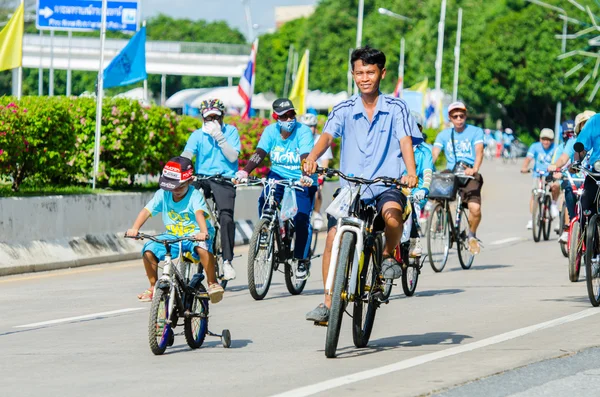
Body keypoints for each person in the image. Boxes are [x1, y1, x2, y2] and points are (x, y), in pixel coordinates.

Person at [303, 46, 421, 322]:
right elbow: (327, 136)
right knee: (332, 238)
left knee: (392, 216)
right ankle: (328, 303)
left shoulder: (396, 108)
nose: (364, 78)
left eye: (370, 72)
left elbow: (405, 141)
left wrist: (411, 173)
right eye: (359, 73)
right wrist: (311, 157)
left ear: (382, 73)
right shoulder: (343, 109)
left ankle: (387, 254)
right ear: (353, 75)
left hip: (386, 184)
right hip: (351, 189)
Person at [235, 98, 317, 280]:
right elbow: (260, 153)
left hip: (302, 178)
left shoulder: (303, 131)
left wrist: (305, 174)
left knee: (302, 217)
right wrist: (245, 171)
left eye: (292, 114)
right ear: (275, 117)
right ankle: (265, 231)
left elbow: (305, 155)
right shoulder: (270, 131)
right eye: (284, 116)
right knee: (264, 200)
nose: (289, 119)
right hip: (278, 174)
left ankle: (302, 259)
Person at [126, 156, 224, 304]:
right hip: (173, 235)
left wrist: (203, 232)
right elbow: (146, 211)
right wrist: (135, 229)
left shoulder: (194, 195)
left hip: (196, 234)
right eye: (171, 186)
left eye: (179, 186)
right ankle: (153, 287)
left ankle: (212, 283)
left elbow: (199, 214)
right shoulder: (163, 194)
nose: (175, 190)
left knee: (203, 247)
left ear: (190, 181)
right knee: (148, 250)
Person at [182, 99, 240, 281]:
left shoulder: (231, 132)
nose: (212, 121)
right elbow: (187, 155)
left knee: (226, 217)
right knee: (187, 204)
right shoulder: (198, 135)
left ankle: (227, 262)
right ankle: (187, 249)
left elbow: (233, 157)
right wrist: (181, 169)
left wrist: (219, 137)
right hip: (203, 178)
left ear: (222, 117)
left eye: (216, 117)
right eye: (208, 118)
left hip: (223, 178)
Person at [432, 102, 484, 254]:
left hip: (469, 172)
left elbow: (479, 151)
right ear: (450, 118)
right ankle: (440, 217)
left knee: (475, 208)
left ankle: (472, 235)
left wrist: (474, 169)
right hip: (452, 171)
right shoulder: (444, 135)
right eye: (455, 116)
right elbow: (435, 154)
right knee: (436, 186)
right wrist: (427, 169)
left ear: (466, 116)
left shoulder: (475, 131)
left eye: (462, 115)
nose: (459, 119)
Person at [548, 111, 597, 228]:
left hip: (594, 177)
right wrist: (555, 166)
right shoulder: (573, 142)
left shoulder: (597, 140)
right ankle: (572, 222)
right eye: (584, 123)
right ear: (580, 126)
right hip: (576, 180)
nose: (587, 126)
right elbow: (563, 158)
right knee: (569, 189)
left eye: (590, 123)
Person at [299, 112, 334, 231]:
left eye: (312, 126)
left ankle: (317, 213)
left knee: (317, 192)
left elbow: (325, 161)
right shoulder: (296, 138)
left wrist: (321, 176)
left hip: (316, 173)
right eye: (307, 126)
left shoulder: (320, 139)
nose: (310, 129)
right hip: (299, 173)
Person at [520, 128, 560, 229]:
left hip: (551, 174)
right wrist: (524, 167)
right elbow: (528, 159)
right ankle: (532, 218)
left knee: (555, 186)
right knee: (534, 194)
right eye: (544, 139)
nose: (546, 142)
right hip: (538, 174)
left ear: (552, 140)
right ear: (540, 139)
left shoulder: (556, 148)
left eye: (548, 139)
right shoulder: (535, 146)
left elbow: (560, 160)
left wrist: (557, 171)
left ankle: (553, 204)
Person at [405, 118, 433, 257]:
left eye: (416, 128)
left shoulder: (424, 151)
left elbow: (428, 172)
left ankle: (414, 241)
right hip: (395, 189)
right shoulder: (393, 147)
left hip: (416, 192)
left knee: (412, 207)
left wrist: (424, 189)